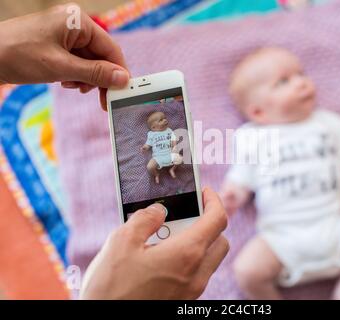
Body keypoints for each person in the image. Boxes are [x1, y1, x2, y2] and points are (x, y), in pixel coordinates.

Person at [0, 4, 229, 299]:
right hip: (154, 163)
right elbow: (144, 145)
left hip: (168, 159)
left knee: (174, 164)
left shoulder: (169, 131)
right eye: (157, 120)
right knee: (150, 170)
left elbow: (176, 141)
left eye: (161, 119)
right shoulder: (149, 134)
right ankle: (162, 178)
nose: (160, 122)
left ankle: (170, 173)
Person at [221, 47, 340, 300]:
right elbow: (241, 179)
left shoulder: (328, 123)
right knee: (246, 270)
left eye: (301, 74)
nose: (302, 82)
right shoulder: (251, 138)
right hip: (281, 238)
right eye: (284, 81)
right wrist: (232, 196)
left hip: (334, 225)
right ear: (258, 112)